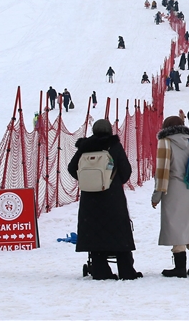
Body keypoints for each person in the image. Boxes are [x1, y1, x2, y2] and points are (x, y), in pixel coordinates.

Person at [67, 119, 141, 280]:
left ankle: (100, 270)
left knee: (95, 233)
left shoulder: (84, 147)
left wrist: (88, 180)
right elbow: (126, 171)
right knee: (119, 233)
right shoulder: (114, 146)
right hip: (113, 198)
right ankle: (126, 270)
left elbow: (72, 168)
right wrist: (113, 182)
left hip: (90, 199)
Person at [152, 116, 189, 277]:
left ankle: (180, 267)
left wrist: (157, 196)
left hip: (173, 189)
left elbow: (162, 171)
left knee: (176, 226)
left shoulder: (165, 142)